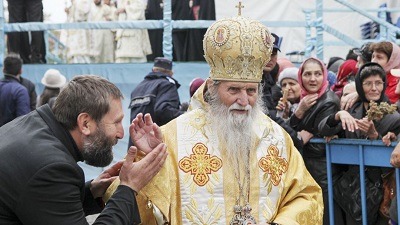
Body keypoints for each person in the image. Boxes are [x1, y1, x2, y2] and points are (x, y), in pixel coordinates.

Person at [105, 15, 323, 224]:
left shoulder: (277, 138)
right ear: (212, 88)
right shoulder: (174, 137)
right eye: (234, 89)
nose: (244, 100)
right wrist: (149, 158)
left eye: (251, 90)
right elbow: (131, 205)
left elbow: (307, 196)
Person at [0, 75, 168, 224]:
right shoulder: (52, 167)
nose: (121, 134)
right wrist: (129, 186)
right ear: (85, 123)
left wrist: (91, 191)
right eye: (116, 122)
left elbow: (43, 204)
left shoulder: (34, 124)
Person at [319, 62, 400, 225]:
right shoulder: (351, 111)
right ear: (359, 86)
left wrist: (374, 136)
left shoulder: (393, 116)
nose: (374, 88)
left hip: (380, 192)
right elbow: (323, 129)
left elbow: (391, 162)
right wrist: (337, 116)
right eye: (368, 83)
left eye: (378, 83)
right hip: (353, 191)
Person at [288, 57, 343, 225]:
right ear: (301, 77)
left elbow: (317, 129)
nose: (313, 79)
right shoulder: (307, 99)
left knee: (325, 215)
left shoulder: (328, 100)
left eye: (318, 74)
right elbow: (295, 129)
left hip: (322, 170)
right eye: (308, 74)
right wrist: (300, 111)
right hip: (308, 168)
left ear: (325, 76)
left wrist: (303, 129)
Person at [260, 32, 304, 151]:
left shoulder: (267, 79)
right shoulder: (255, 79)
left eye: (273, 54)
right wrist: (297, 137)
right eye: (266, 54)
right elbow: (268, 117)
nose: (270, 59)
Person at [128, 57, 184, 147]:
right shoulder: (167, 85)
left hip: (135, 146)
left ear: (153, 69)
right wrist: (185, 114)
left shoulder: (137, 88)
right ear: (171, 73)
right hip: (154, 146)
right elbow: (164, 111)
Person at [0, 53, 30, 127]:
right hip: (9, 136)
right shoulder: (20, 91)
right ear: (20, 71)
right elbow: (23, 121)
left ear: (3, 69)